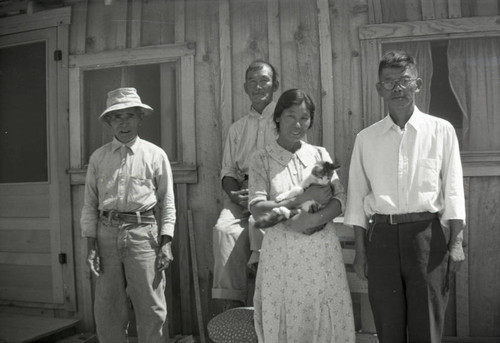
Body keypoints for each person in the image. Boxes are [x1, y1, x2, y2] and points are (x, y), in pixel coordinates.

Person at [344, 50, 466, 343]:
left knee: (427, 324)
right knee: (388, 326)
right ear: (379, 88)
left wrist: (457, 242)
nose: (397, 88)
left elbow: (453, 188)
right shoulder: (366, 139)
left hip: (427, 237)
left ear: (418, 84)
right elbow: (357, 197)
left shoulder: (441, 131)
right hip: (382, 237)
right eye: (389, 82)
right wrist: (361, 251)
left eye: (404, 80)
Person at [249, 89, 355, 343]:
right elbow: (256, 207)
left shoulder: (319, 155)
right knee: (287, 315)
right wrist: (299, 200)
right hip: (282, 255)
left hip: (321, 252)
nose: (297, 124)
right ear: (277, 118)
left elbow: (340, 199)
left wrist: (314, 220)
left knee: (324, 313)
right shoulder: (262, 158)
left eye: (304, 118)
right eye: (290, 116)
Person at [80, 87, 175, 343]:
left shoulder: (155, 155)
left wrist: (166, 243)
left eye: (130, 116)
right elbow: (90, 203)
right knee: (108, 307)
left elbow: (167, 202)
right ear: (109, 121)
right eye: (117, 117)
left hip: (144, 236)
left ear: (140, 118)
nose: (124, 123)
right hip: (106, 235)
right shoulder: (99, 158)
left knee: (151, 307)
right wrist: (92, 245)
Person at [212, 60, 279, 308]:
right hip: (242, 192)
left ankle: (264, 300)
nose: (258, 86)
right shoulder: (237, 129)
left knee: (257, 224)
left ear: (275, 85)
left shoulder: (287, 122)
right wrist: (235, 194)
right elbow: (228, 170)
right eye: (253, 81)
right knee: (223, 232)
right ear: (245, 87)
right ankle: (232, 308)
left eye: (264, 80)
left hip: (276, 192)